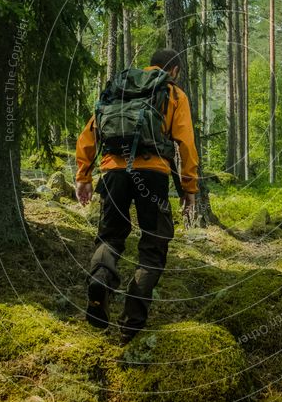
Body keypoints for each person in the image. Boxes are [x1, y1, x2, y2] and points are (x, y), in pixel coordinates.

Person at [75, 48, 199, 344]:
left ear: (151, 64)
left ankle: (100, 280)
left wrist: (83, 177)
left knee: (110, 237)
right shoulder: (172, 93)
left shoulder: (121, 88)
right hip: (153, 175)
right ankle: (131, 323)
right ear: (175, 71)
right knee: (153, 247)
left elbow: (89, 133)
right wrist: (189, 189)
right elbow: (186, 145)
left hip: (113, 172)